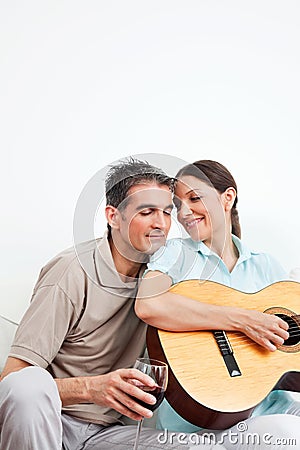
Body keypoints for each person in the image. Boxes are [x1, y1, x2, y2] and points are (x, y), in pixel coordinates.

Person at [0, 158, 226, 450]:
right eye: (147, 212)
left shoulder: (164, 277)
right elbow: (13, 382)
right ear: (113, 216)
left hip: (106, 434)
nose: (160, 224)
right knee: (26, 384)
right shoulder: (72, 271)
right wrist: (92, 389)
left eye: (166, 213)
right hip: (51, 422)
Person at [136, 160, 300, 449]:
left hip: (273, 407)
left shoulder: (267, 265)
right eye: (178, 204)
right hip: (203, 419)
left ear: (228, 197)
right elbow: (149, 305)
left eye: (194, 198)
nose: (184, 213)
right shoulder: (174, 254)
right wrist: (243, 320)